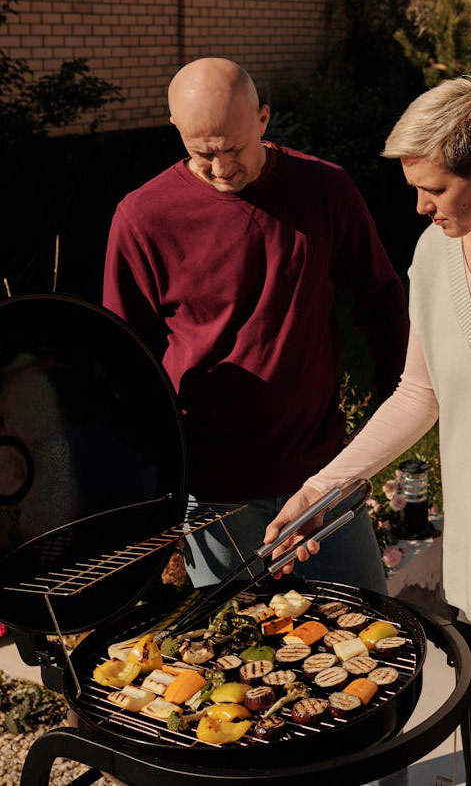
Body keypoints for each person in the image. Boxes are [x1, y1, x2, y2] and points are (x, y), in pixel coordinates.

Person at [265, 74, 471, 786]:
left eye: (433, 188)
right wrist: (322, 487)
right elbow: (417, 394)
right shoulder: (434, 258)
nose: (420, 206)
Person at [103, 57, 409, 595]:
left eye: (233, 148)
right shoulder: (142, 217)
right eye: (202, 153)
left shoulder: (325, 189)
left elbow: (382, 302)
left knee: (371, 629)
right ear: (176, 129)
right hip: (216, 491)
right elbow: (124, 362)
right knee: (236, 653)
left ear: (263, 119)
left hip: (323, 475)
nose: (221, 169)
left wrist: (388, 419)